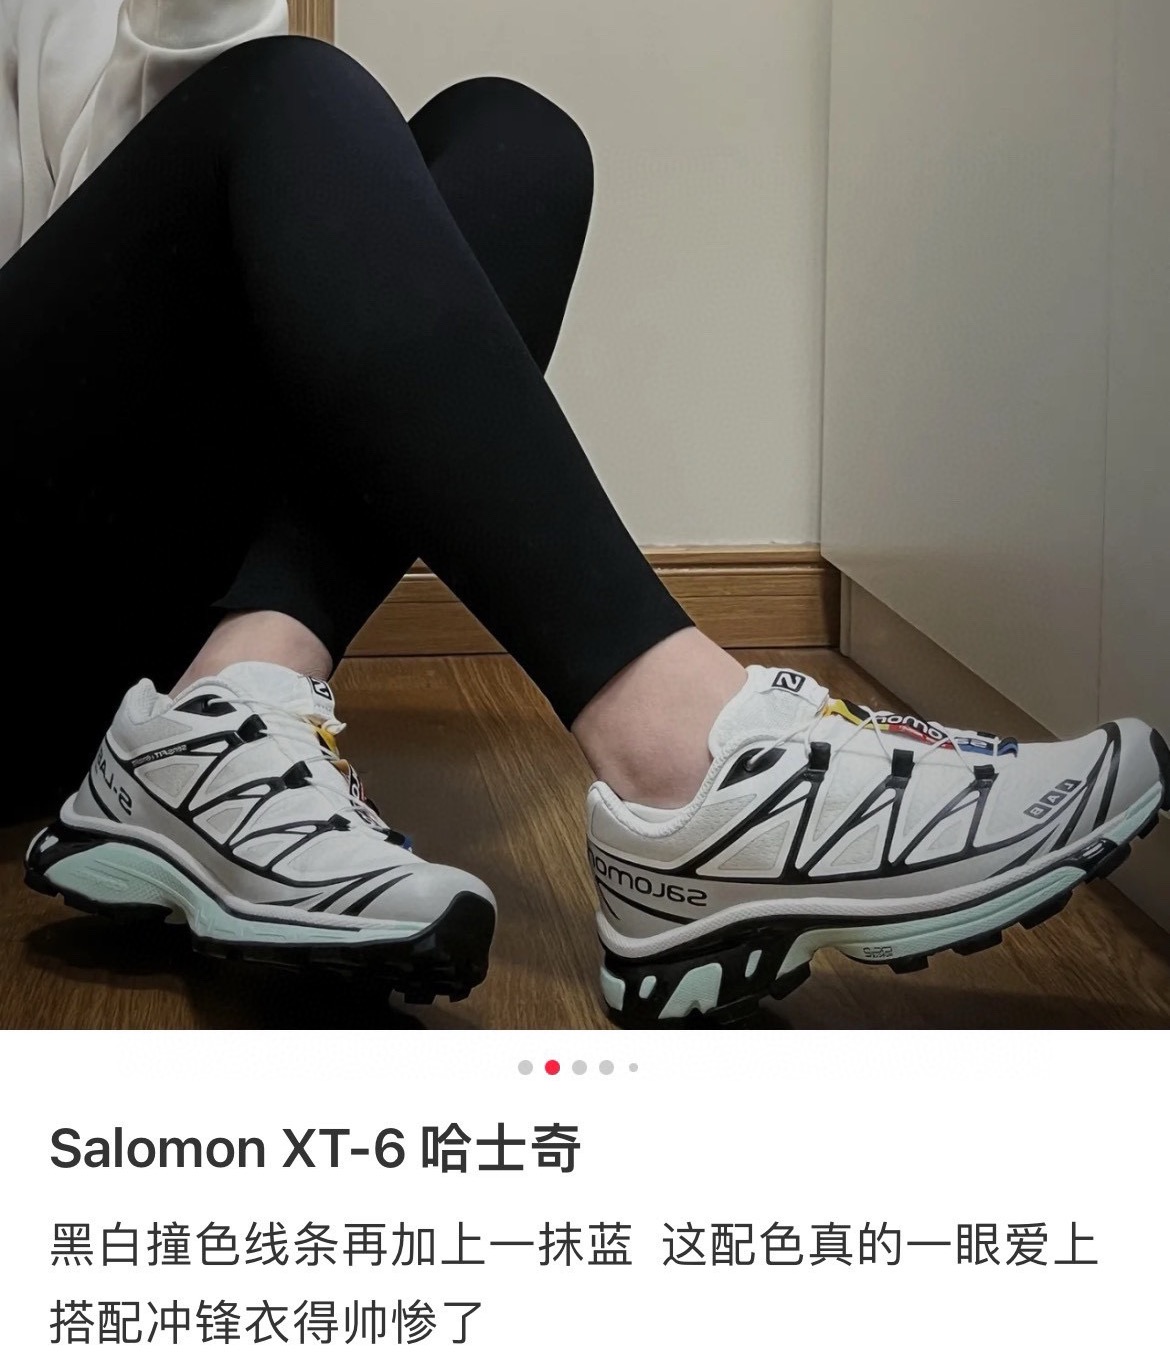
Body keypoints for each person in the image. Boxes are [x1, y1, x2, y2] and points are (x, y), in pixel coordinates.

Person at [5, 1, 1167, 1026]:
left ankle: (223, 704)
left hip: (116, 573)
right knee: (287, 91)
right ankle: (688, 759)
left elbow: (157, 197)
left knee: (515, 143)